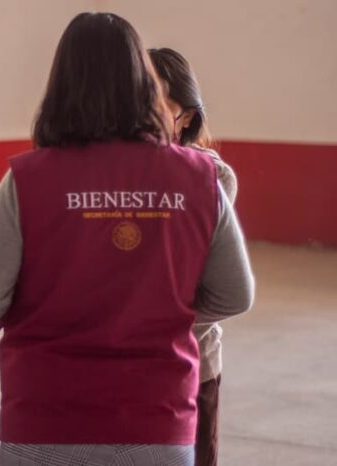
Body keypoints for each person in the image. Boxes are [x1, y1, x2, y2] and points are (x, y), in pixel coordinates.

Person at [0, 12, 254, 466]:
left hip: (46, 419)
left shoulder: (27, 179)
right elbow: (236, 294)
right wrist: (161, 309)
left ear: (60, 83)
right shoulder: (200, 178)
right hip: (157, 418)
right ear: (143, 81)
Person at [149, 46, 236, 466]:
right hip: (128, 368)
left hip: (191, 364)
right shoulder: (111, 174)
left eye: (156, 100)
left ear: (184, 113)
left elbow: (216, 287)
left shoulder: (210, 174)